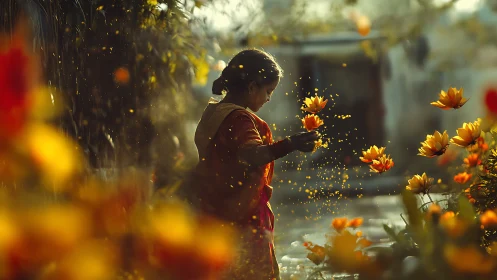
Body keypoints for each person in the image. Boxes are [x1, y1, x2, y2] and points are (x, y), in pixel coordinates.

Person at [187, 49, 319, 280]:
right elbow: (253, 155)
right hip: (241, 215)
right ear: (251, 87)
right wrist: (291, 143)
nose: (268, 98)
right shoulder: (239, 119)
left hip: (213, 208)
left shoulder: (214, 113)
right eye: (268, 91)